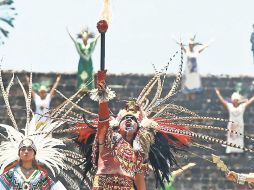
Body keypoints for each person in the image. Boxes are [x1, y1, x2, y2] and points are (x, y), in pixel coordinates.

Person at [0, 138, 64, 190]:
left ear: (34, 154)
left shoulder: (42, 175)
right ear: (19, 154)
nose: (26, 151)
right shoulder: (11, 173)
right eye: (23, 149)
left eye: (30, 149)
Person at [215, 88, 254, 154]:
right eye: (234, 100)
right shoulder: (229, 106)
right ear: (232, 100)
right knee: (231, 139)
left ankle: (239, 152)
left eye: (236, 100)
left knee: (239, 139)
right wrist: (218, 93)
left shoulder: (242, 106)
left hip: (240, 126)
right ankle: (230, 152)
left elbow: (250, 101)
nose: (235, 101)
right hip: (231, 126)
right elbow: (222, 101)